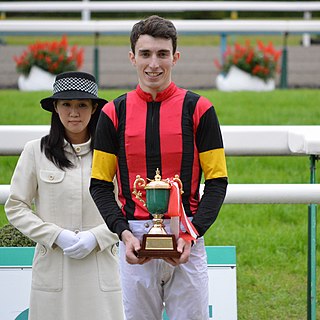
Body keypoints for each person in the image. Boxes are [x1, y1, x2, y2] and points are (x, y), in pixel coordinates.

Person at [90, 15, 228, 320]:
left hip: (186, 234)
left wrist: (191, 234)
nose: (154, 63)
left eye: (162, 54)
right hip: (135, 239)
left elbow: (217, 181)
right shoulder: (113, 112)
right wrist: (124, 234)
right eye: (145, 54)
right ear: (132, 58)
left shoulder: (200, 109)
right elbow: (99, 184)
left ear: (175, 58)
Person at [5, 71, 124, 320]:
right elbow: (16, 206)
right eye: (66, 104)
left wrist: (98, 237)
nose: (74, 112)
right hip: (54, 266)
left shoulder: (112, 153)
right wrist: (55, 235)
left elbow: (128, 205)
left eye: (82, 104)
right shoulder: (35, 152)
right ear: (55, 109)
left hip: (100, 264)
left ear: (94, 109)